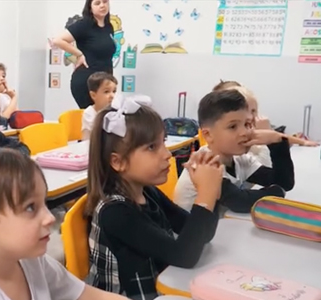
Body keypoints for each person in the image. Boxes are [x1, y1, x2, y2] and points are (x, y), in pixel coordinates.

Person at [0, 147, 129, 300]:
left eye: (44, 203)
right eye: (30, 208)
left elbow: (86, 295)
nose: (50, 218)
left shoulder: (28, 258)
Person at [84, 96, 222, 299]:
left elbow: (204, 235)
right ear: (118, 162)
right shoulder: (115, 212)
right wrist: (205, 195)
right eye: (151, 147)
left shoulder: (148, 192)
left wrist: (213, 192)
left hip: (159, 288)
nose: (167, 154)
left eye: (163, 142)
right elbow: (184, 256)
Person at [174, 89, 295, 213]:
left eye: (247, 124)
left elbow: (283, 182)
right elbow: (240, 202)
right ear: (208, 135)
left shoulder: (240, 159)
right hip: (190, 230)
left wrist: (277, 142)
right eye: (233, 126)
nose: (244, 132)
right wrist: (278, 191)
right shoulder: (203, 163)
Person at [52, 0, 116, 109]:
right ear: (90, 7)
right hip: (86, 81)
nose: (102, 5)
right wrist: (79, 54)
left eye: (105, 2)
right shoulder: (84, 25)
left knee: (104, 118)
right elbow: (58, 40)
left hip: (104, 81)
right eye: (97, 3)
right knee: (93, 119)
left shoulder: (109, 27)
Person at [82, 71, 117, 140]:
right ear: (93, 95)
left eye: (114, 91)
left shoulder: (114, 111)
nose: (112, 96)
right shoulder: (89, 113)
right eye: (106, 92)